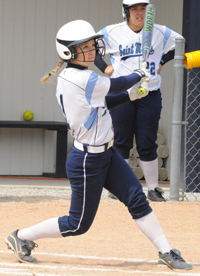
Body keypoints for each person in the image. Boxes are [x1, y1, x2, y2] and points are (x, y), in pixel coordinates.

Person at [5, 20, 192, 271]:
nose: (92, 50)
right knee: (77, 223)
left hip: (107, 153)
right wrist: (140, 74)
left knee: (137, 199)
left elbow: (104, 102)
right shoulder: (79, 78)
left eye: (92, 45)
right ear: (68, 52)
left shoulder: (81, 77)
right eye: (85, 47)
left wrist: (132, 94)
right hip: (86, 161)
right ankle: (22, 235)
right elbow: (114, 85)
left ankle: (166, 250)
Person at [95, 0, 185, 202]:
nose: (139, 12)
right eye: (134, 8)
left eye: (143, 8)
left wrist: (161, 60)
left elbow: (181, 43)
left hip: (149, 92)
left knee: (147, 141)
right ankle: (119, 187)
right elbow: (92, 48)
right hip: (121, 93)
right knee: (121, 141)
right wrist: (104, 67)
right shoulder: (112, 32)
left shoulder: (159, 31)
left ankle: (153, 188)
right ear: (126, 11)